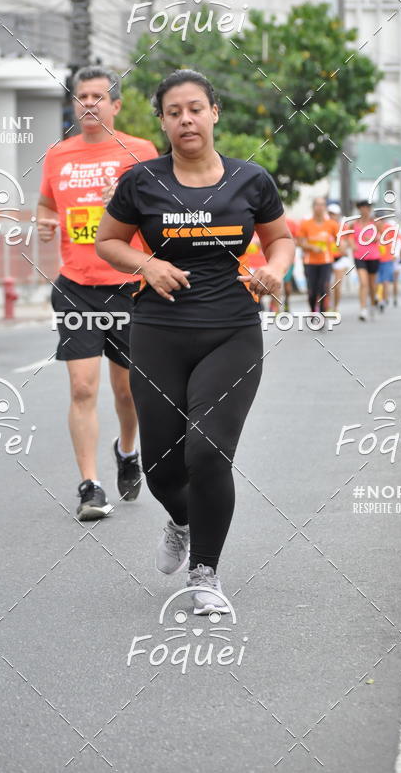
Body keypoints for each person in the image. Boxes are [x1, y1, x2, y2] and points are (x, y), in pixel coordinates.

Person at [96, 69, 294, 613]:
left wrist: (273, 272)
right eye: (174, 111)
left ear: (214, 113)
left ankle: (204, 573)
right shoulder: (141, 181)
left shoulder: (251, 181)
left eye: (195, 108)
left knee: (207, 453)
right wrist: (148, 263)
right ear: (161, 121)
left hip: (232, 331)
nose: (186, 118)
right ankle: (182, 521)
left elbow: (280, 241)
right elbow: (107, 242)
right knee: (162, 468)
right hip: (158, 332)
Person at [37, 66, 158, 520]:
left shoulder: (140, 152)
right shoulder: (58, 156)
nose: (88, 104)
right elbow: (47, 204)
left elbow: (161, 210)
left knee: (128, 393)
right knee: (83, 388)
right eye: (81, 97)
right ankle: (90, 486)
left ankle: (127, 451)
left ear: (116, 104)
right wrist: (46, 223)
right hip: (76, 288)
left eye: (97, 97)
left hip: (129, 288)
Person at [298, 197, 339, 314]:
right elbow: (300, 242)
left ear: (325, 208)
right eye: (317, 205)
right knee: (312, 291)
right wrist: (311, 247)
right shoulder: (306, 224)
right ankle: (312, 310)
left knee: (323, 287)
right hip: (310, 261)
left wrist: (340, 246)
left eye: (322, 205)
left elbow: (339, 240)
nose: (320, 207)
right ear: (313, 207)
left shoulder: (332, 224)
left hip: (326, 261)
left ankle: (322, 313)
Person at [345, 200, 380, 321]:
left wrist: (370, 238)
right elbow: (349, 237)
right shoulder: (354, 224)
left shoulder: (375, 223)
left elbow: (380, 237)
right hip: (360, 256)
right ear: (359, 209)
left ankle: (373, 304)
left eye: (367, 208)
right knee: (363, 283)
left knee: (371, 284)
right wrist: (352, 245)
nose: (365, 210)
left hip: (374, 256)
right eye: (362, 208)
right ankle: (363, 309)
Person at [327, 203, 350, 313]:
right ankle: (327, 306)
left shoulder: (343, 227)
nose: (332, 216)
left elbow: (345, 243)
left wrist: (341, 248)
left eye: (334, 214)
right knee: (326, 285)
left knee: (336, 285)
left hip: (340, 259)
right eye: (330, 214)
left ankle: (335, 307)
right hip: (326, 259)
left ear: (338, 215)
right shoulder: (325, 226)